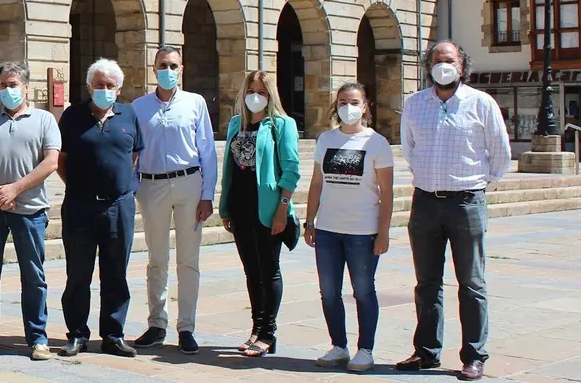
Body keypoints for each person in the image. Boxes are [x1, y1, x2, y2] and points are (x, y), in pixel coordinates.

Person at [396, 40, 510, 381]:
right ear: (427, 66)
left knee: (471, 282)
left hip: (466, 202)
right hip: (426, 201)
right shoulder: (415, 104)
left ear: (462, 67)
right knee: (426, 282)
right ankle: (426, 351)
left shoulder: (481, 103)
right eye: (436, 60)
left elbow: (500, 153)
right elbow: (409, 148)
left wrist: (474, 184)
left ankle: (474, 355)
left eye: (449, 60)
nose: (442, 65)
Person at [0, 62, 61, 361]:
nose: (8, 90)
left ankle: (37, 338)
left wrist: (15, 189)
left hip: (29, 210)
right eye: (3, 85)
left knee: (33, 275)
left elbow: (51, 162)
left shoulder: (44, 120)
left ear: (27, 87)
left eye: (14, 84)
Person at [130, 46, 217, 354]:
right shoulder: (139, 107)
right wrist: (134, 186)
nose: (168, 70)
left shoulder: (195, 103)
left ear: (182, 68)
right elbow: (133, 151)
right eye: (162, 65)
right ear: (153, 69)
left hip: (188, 183)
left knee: (188, 260)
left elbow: (206, 149)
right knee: (157, 258)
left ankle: (187, 326)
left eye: (173, 65)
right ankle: (157, 323)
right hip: (152, 186)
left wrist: (207, 194)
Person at [304, 82, 394, 372]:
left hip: (363, 232)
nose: (348, 107)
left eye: (354, 101)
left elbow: (387, 192)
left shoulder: (376, 142)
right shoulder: (326, 140)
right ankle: (339, 346)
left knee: (363, 290)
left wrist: (383, 232)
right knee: (329, 291)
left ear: (365, 105)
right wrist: (310, 221)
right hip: (329, 228)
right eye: (342, 101)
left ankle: (365, 349)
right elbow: (317, 184)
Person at [56, 58, 143, 358]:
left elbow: (133, 156)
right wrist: (82, 187)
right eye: (99, 85)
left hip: (119, 207)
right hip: (80, 207)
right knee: (78, 274)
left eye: (110, 85)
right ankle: (77, 334)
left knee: (116, 273)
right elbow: (61, 160)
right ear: (89, 87)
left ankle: (113, 334)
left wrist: (115, 186)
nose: (104, 89)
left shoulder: (129, 115)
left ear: (118, 89)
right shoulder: (72, 117)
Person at [217, 70, 299, 358]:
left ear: (270, 95)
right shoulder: (236, 124)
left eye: (262, 92)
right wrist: (224, 207)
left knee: (269, 269)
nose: (256, 97)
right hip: (239, 207)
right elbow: (229, 167)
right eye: (251, 90)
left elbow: (291, 169)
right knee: (252, 271)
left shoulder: (281, 125)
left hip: (267, 208)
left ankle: (268, 332)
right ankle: (256, 328)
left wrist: (283, 207)